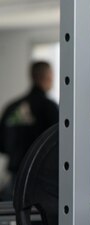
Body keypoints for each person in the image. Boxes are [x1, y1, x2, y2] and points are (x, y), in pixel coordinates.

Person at [0, 61, 59, 197]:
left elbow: (2, 145)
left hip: (15, 177)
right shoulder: (49, 108)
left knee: (13, 215)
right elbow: (60, 142)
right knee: (38, 217)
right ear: (48, 76)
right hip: (42, 179)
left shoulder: (12, 107)